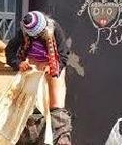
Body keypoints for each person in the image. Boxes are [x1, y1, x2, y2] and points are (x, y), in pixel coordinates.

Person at [6, 11, 72, 145]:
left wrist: (53, 69)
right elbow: (10, 51)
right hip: (33, 68)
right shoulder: (24, 31)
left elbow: (63, 54)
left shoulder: (54, 28)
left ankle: (61, 141)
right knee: (29, 109)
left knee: (56, 109)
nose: (37, 37)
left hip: (53, 67)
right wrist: (19, 63)